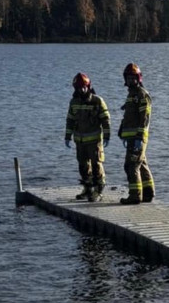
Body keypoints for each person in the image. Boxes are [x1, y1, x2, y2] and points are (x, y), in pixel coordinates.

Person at [64, 73, 111, 201]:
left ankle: (98, 190)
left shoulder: (97, 101)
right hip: (79, 141)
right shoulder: (74, 102)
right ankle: (87, 188)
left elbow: (105, 119)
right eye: (79, 88)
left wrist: (107, 136)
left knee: (96, 165)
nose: (82, 90)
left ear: (88, 86)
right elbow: (70, 120)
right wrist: (67, 136)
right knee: (83, 165)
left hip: (94, 141)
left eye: (84, 87)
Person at [118, 63, 154, 204]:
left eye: (134, 78)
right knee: (141, 164)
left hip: (137, 138)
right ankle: (148, 193)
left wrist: (139, 136)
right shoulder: (131, 95)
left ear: (139, 79)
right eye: (129, 78)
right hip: (132, 137)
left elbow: (144, 117)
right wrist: (122, 130)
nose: (131, 81)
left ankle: (135, 196)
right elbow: (128, 116)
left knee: (131, 166)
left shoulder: (141, 95)